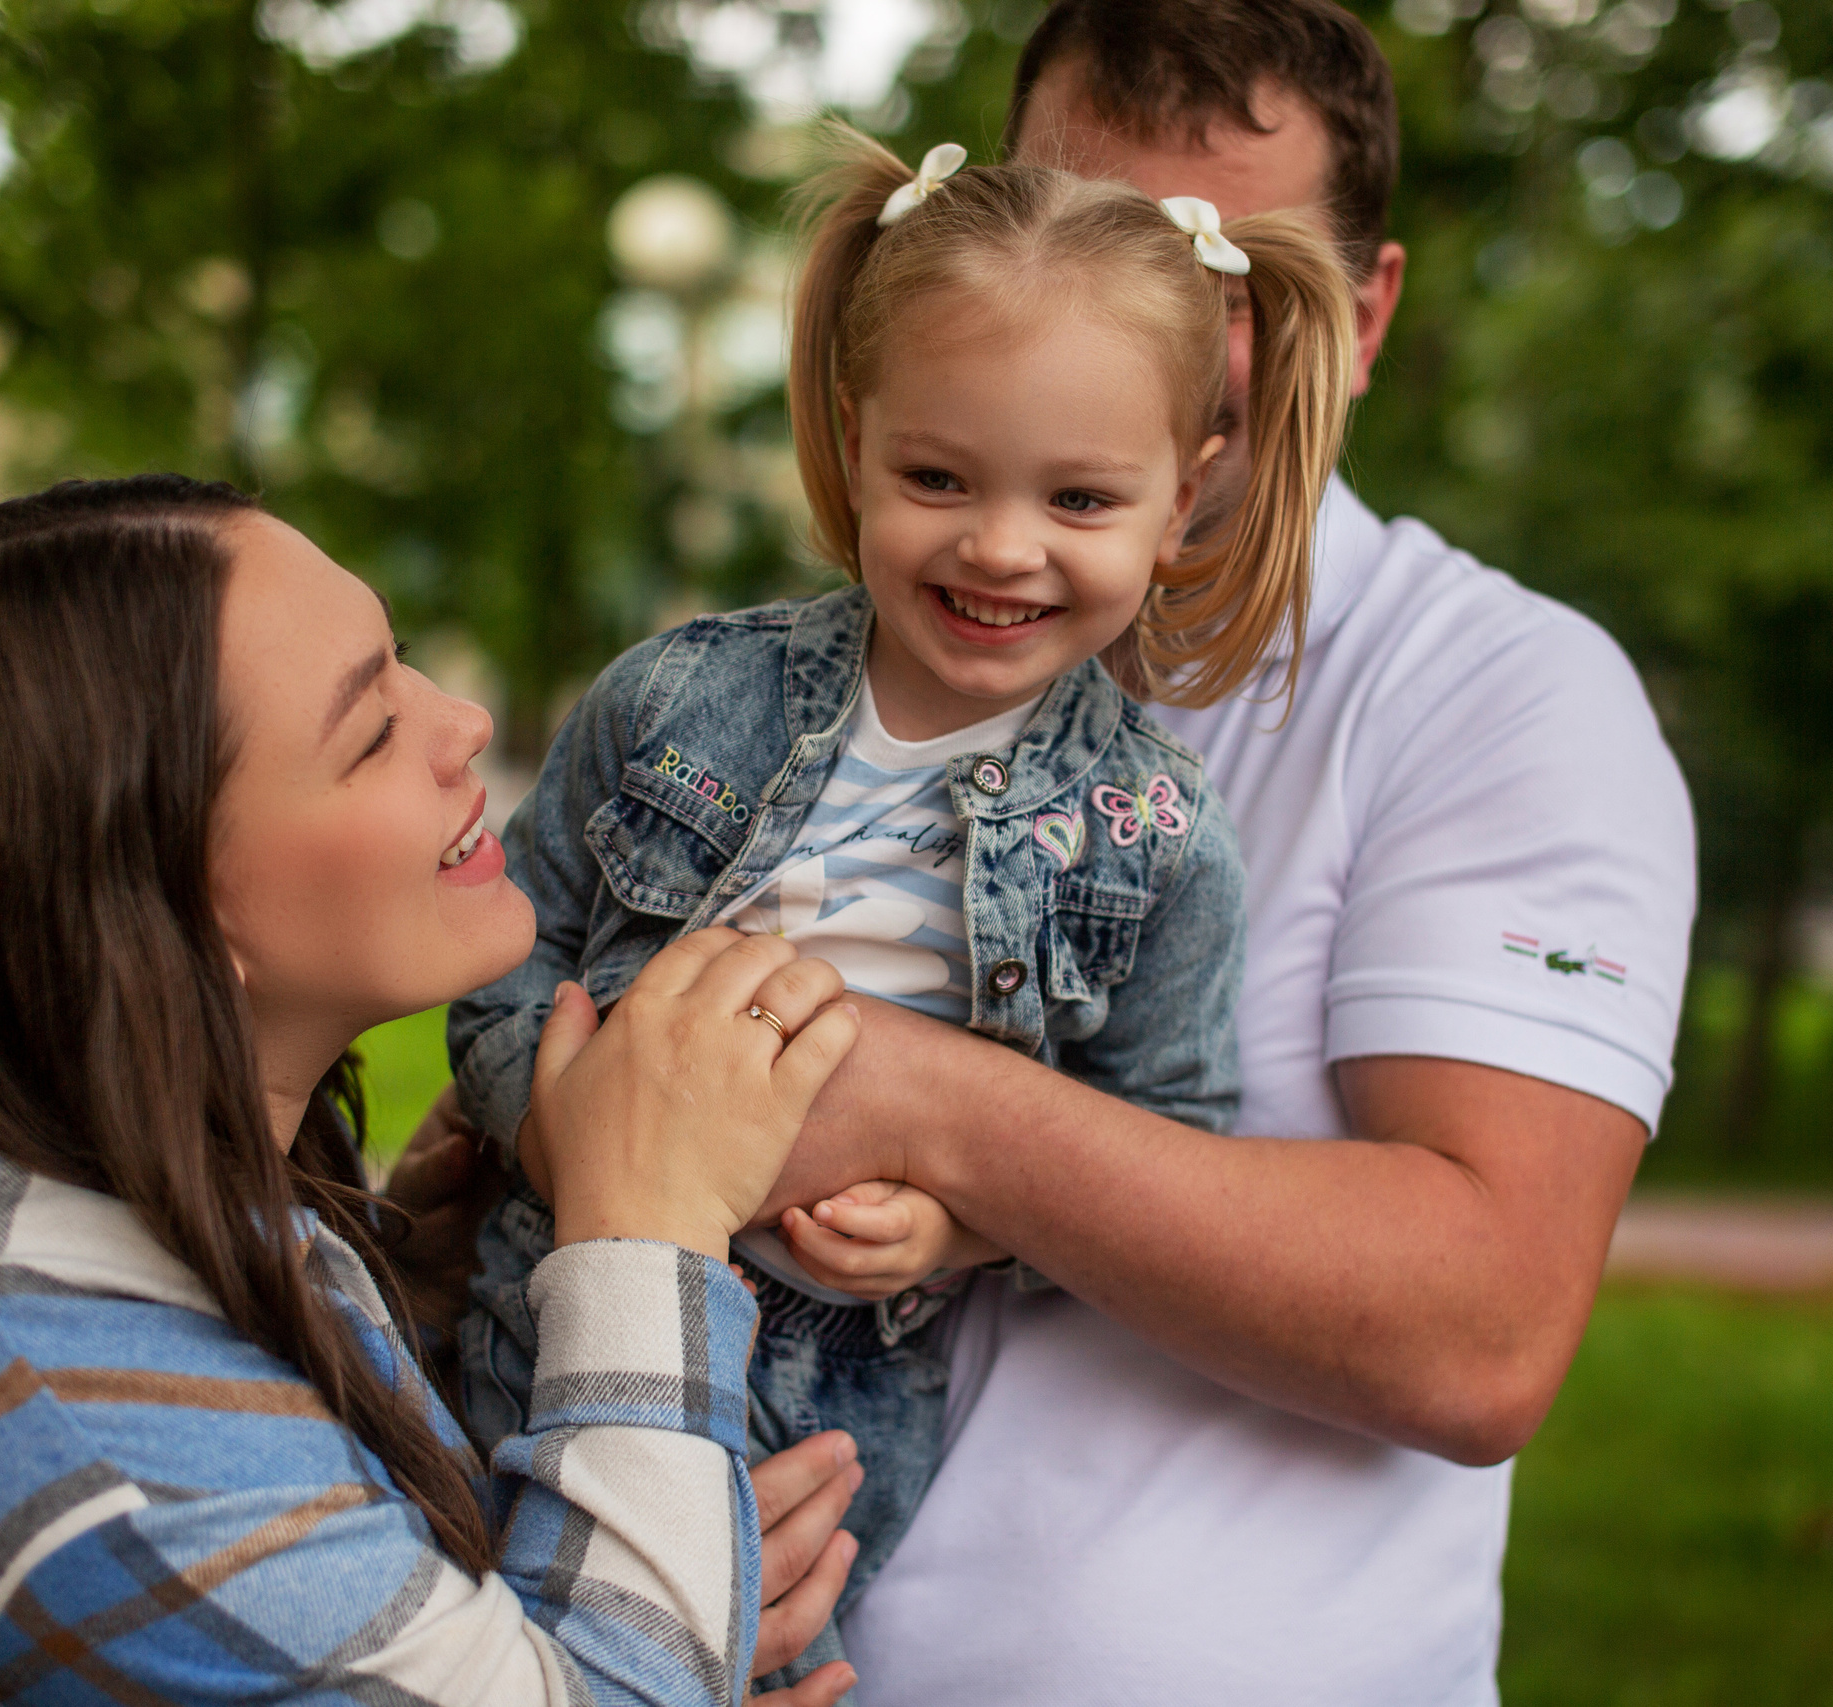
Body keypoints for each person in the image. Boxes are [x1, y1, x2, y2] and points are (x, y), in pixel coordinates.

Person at [395, 2, 1696, 1699]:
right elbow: (546, 1013)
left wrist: (899, 1099)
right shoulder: (776, 675)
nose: (1102, 299)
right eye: (1078, 218)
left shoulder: (1493, 692)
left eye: (1199, 266)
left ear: (1354, 317)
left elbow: (1485, 1331)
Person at [0, 477, 867, 1707]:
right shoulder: (68, 1389)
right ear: (160, 915)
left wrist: (394, 1304)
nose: (462, 721)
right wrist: (641, 1229)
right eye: (370, 730)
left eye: (401, 658)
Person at [443, 130, 1364, 1694]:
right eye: (939, 478)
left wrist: (968, 1217)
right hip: (541, 1308)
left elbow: (1163, 1142)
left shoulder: (1156, 838)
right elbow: (503, 959)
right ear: (853, 437)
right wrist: (576, 1134)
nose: (1002, 546)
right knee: (472, 1652)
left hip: (828, 1401)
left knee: (746, 1665)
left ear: (1185, 492)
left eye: (1081, 497)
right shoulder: (680, 697)